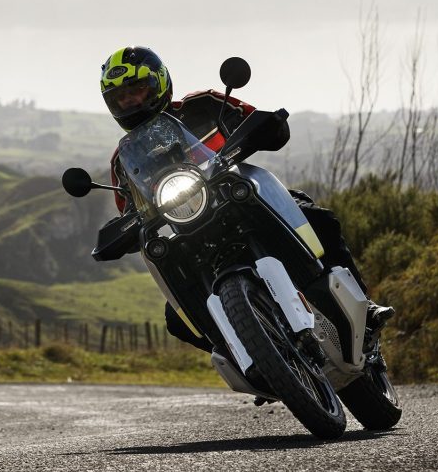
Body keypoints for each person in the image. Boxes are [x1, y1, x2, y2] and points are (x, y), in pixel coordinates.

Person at [100, 46, 394, 353]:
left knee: (320, 219)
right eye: (121, 97)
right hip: (192, 233)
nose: (130, 100)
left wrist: (269, 128)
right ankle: (250, 357)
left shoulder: (204, 105)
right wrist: (124, 232)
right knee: (176, 319)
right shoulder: (123, 161)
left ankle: (366, 309)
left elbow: (257, 121)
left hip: (244, 199)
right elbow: (132, 213)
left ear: (158, 82)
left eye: (136, 89)